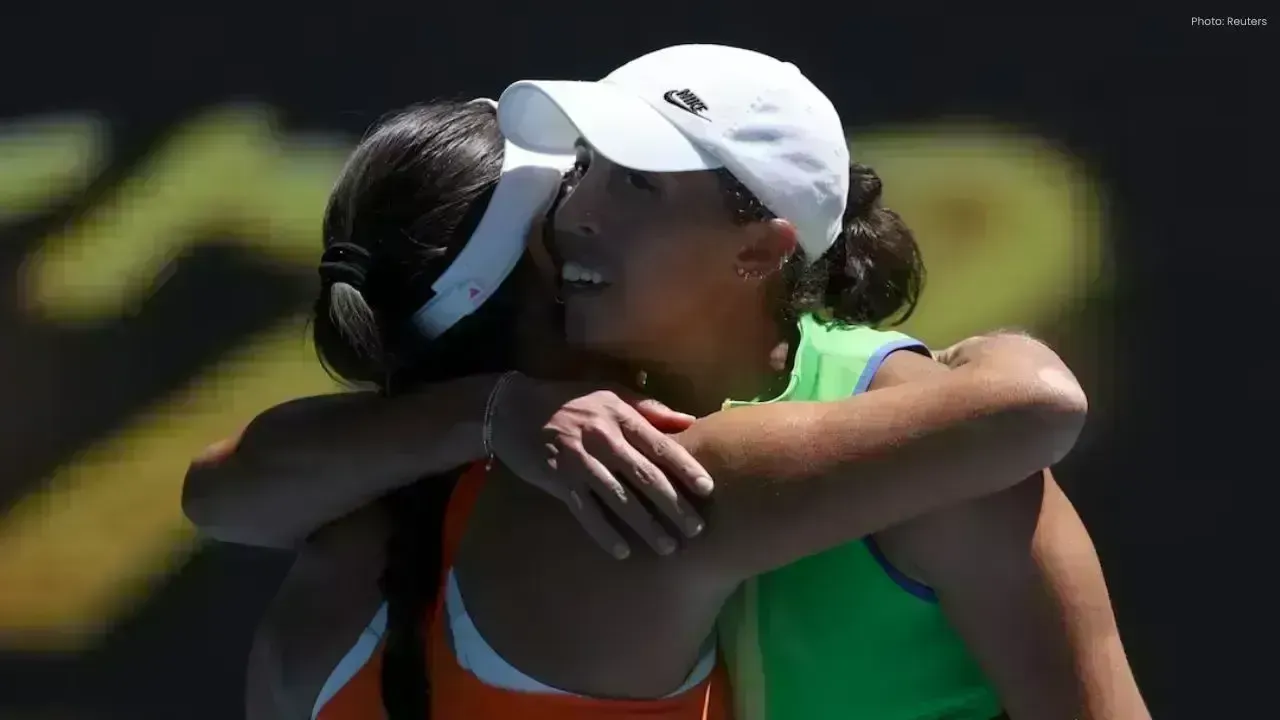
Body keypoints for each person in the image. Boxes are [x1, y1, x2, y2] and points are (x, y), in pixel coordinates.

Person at [186, 49, 1142, 720]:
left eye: (633, 182)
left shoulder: (937, 452)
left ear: (760, 246)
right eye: (584, 174)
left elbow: (222, 490)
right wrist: (1014, 366)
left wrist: (495, 412)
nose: (580, 210)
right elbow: (1029, 407)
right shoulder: (604, 459)